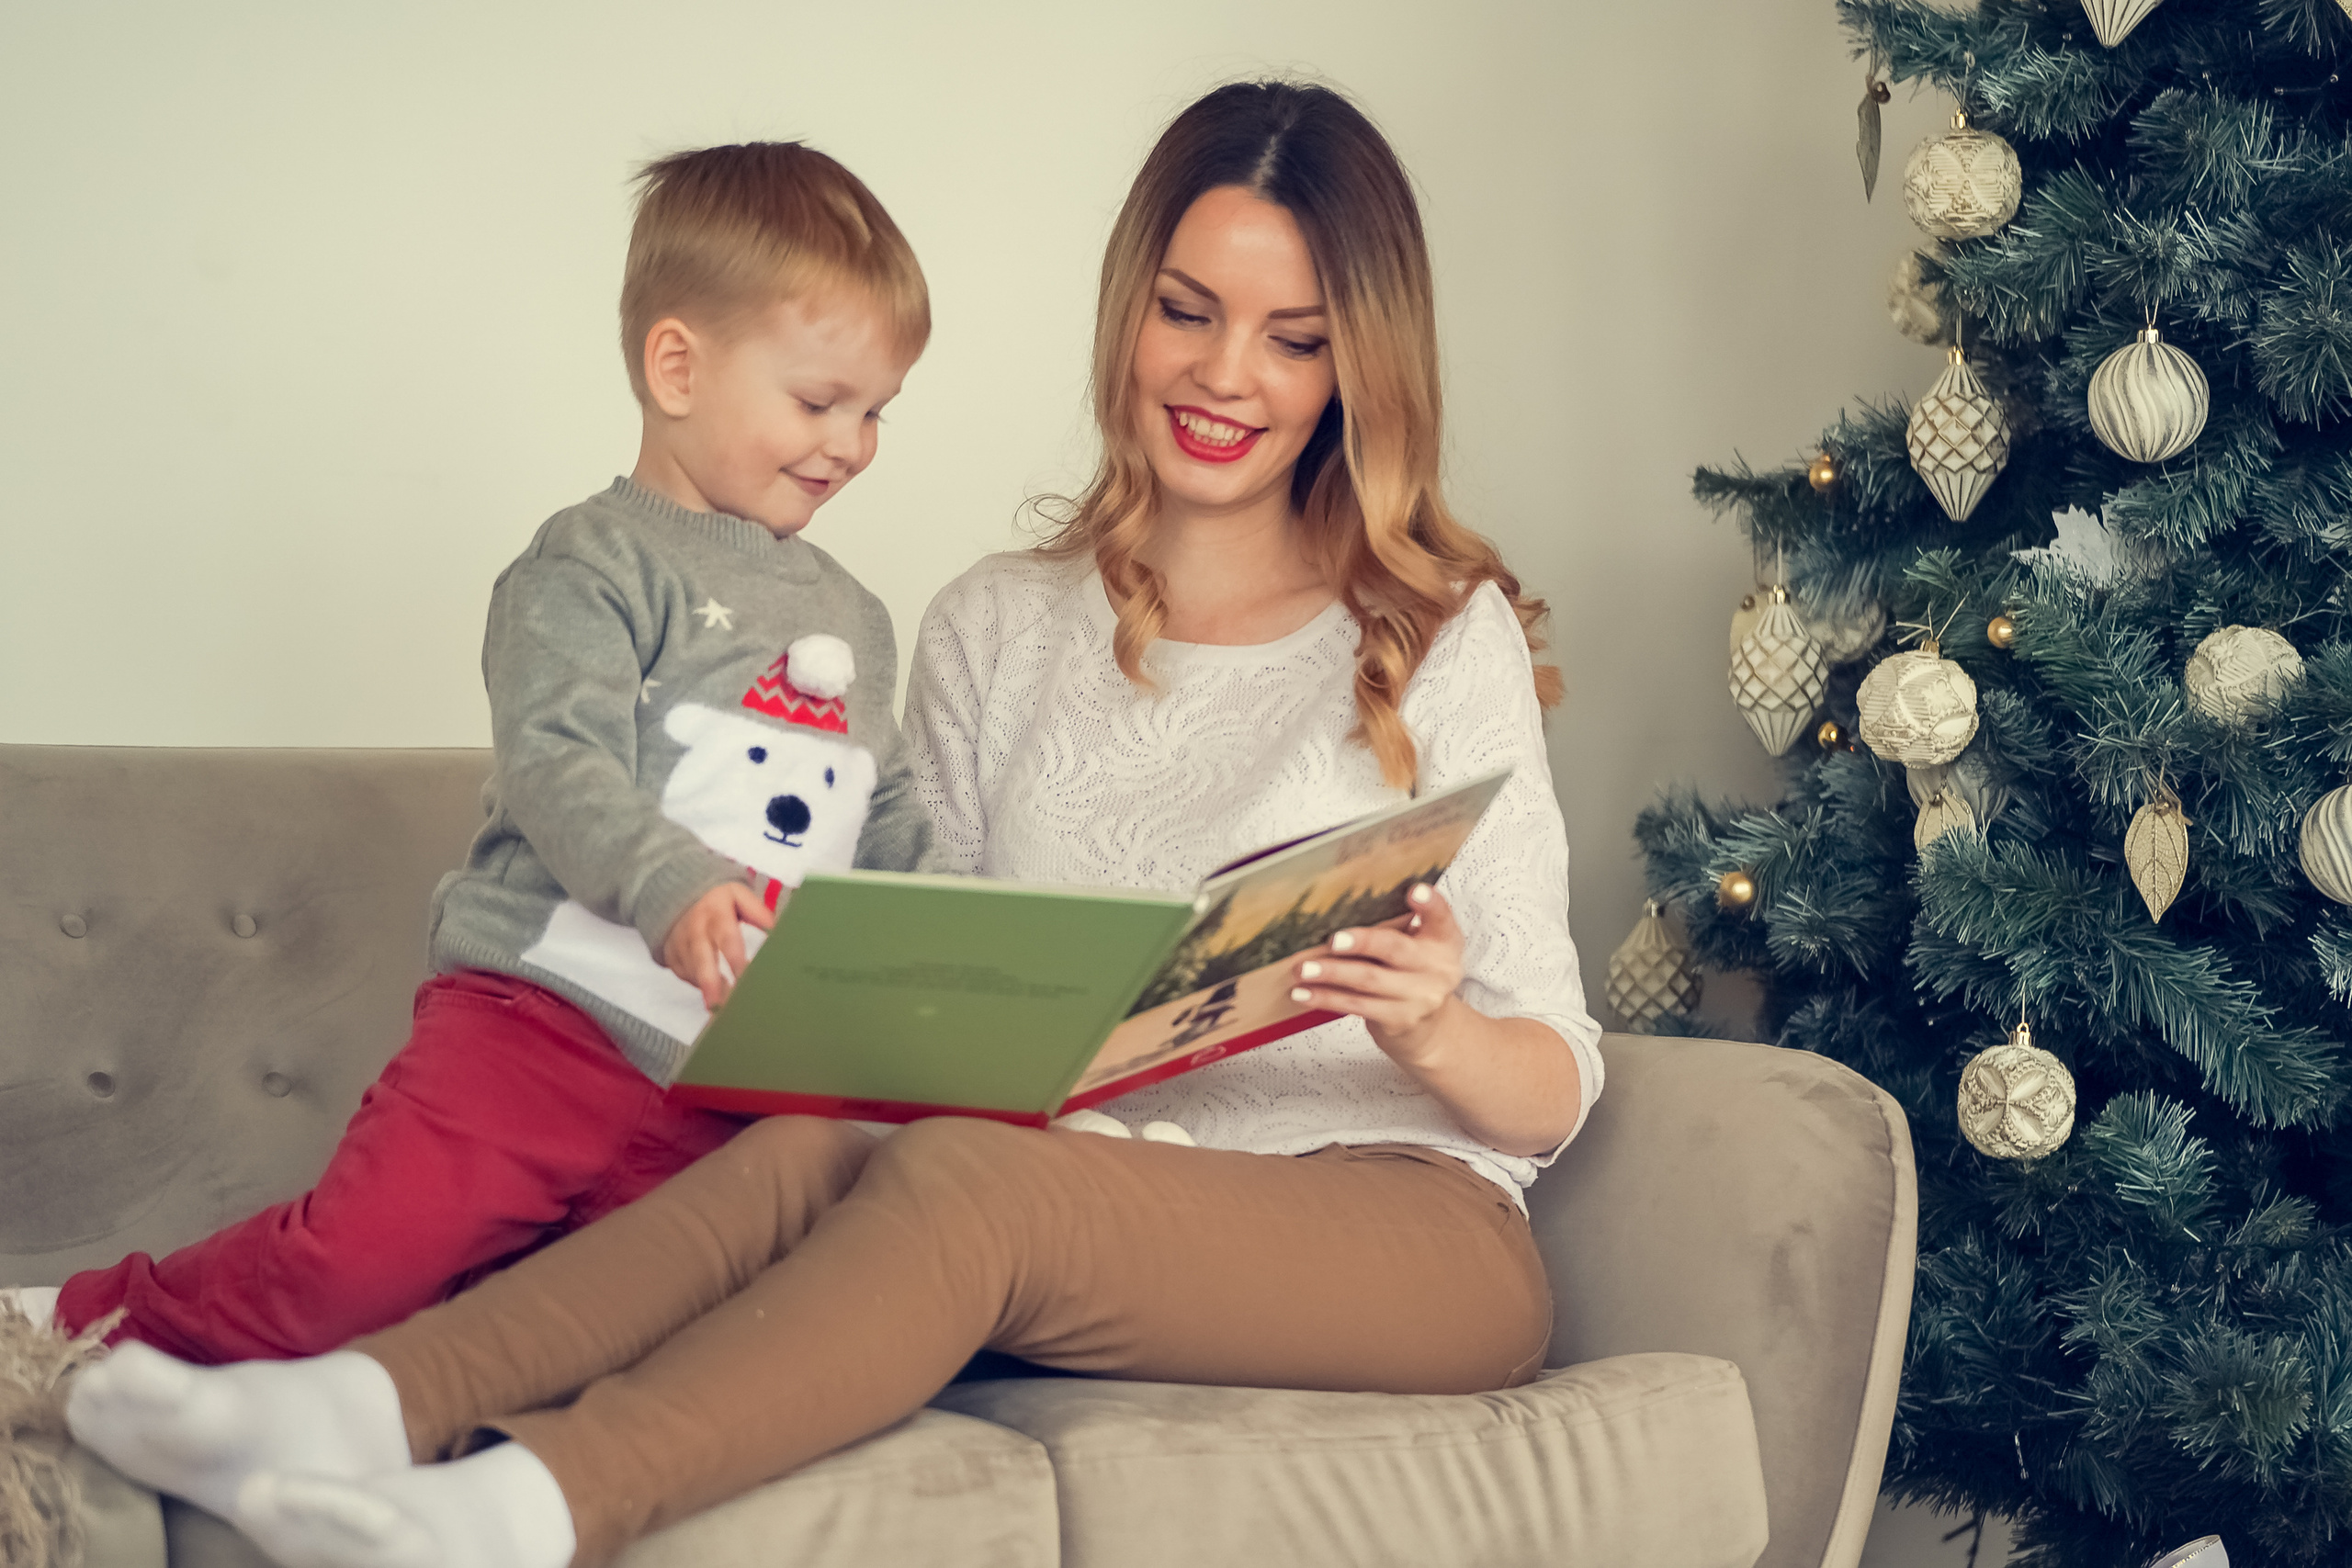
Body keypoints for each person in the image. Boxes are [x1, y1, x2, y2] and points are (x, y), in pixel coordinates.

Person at [62, 81, 1604, 1568]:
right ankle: (346, 1408)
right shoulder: (994, 627)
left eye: (1296, 340)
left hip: (1399, 1225)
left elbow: (1551, 1090)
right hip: (1092, 1189)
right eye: (1188, 311)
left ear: (1356, 366)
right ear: (1130, 310)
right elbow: (933, 996)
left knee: (961, 1179)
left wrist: (1431, 1028)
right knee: (820, 1140)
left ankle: (525, 1512)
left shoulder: (1436, 632)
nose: (1225, 377)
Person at [29, 142, 939, 1364]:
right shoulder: (591, 564)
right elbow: (559, 766)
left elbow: (888, 818)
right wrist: (672, 883)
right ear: (678, 366)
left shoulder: (861, 622)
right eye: (819, 402)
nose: (852, 443)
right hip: (542, 1030)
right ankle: (80, 1324)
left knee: (632, 1340)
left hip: (727, 1088)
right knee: (352, 1278)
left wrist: (953, 950)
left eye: (876, 411)